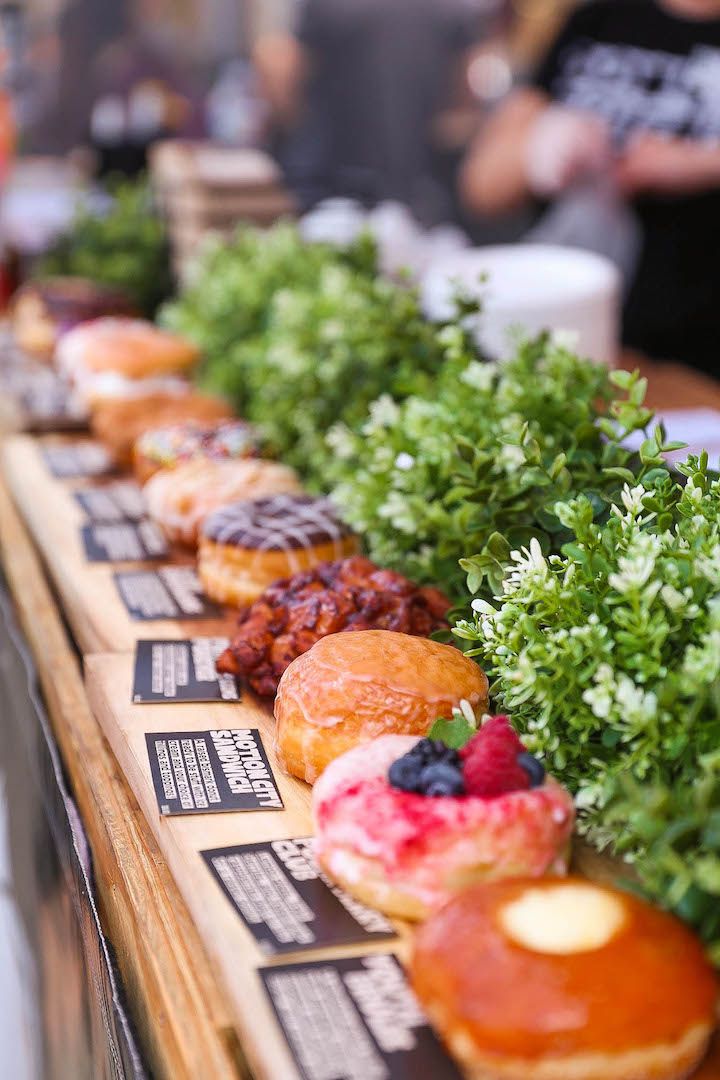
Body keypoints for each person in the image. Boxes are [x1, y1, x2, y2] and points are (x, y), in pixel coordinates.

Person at [460, 0, 720, 374]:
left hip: (700, 361)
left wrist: (698, 162)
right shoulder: (596, 22)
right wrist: (537, 148)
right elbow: (480, 188)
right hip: (572, 347)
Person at [254, 0, 500, 224]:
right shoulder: (454, 8)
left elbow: (283, 71)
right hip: (421, 200)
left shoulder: (324, 6)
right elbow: (463, 108)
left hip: (333, 191)